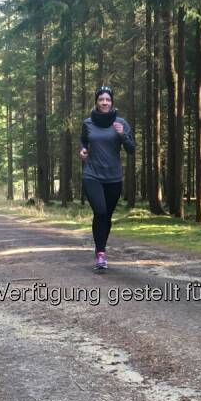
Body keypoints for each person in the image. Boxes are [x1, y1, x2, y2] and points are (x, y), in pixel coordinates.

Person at [79, 85, 135, 270]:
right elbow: (83, 140)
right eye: (101, 99)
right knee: (101, 212)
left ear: (112, 102)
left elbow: (131, 149)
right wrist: (83, 149)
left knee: (107, 215)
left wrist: (122, 134)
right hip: (92, 175)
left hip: (113, 177)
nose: (104, 102)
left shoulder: (121, 123)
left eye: (108, 99)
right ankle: (100, 253)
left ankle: (100, 250)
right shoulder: (88, 123)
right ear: (96, 102)